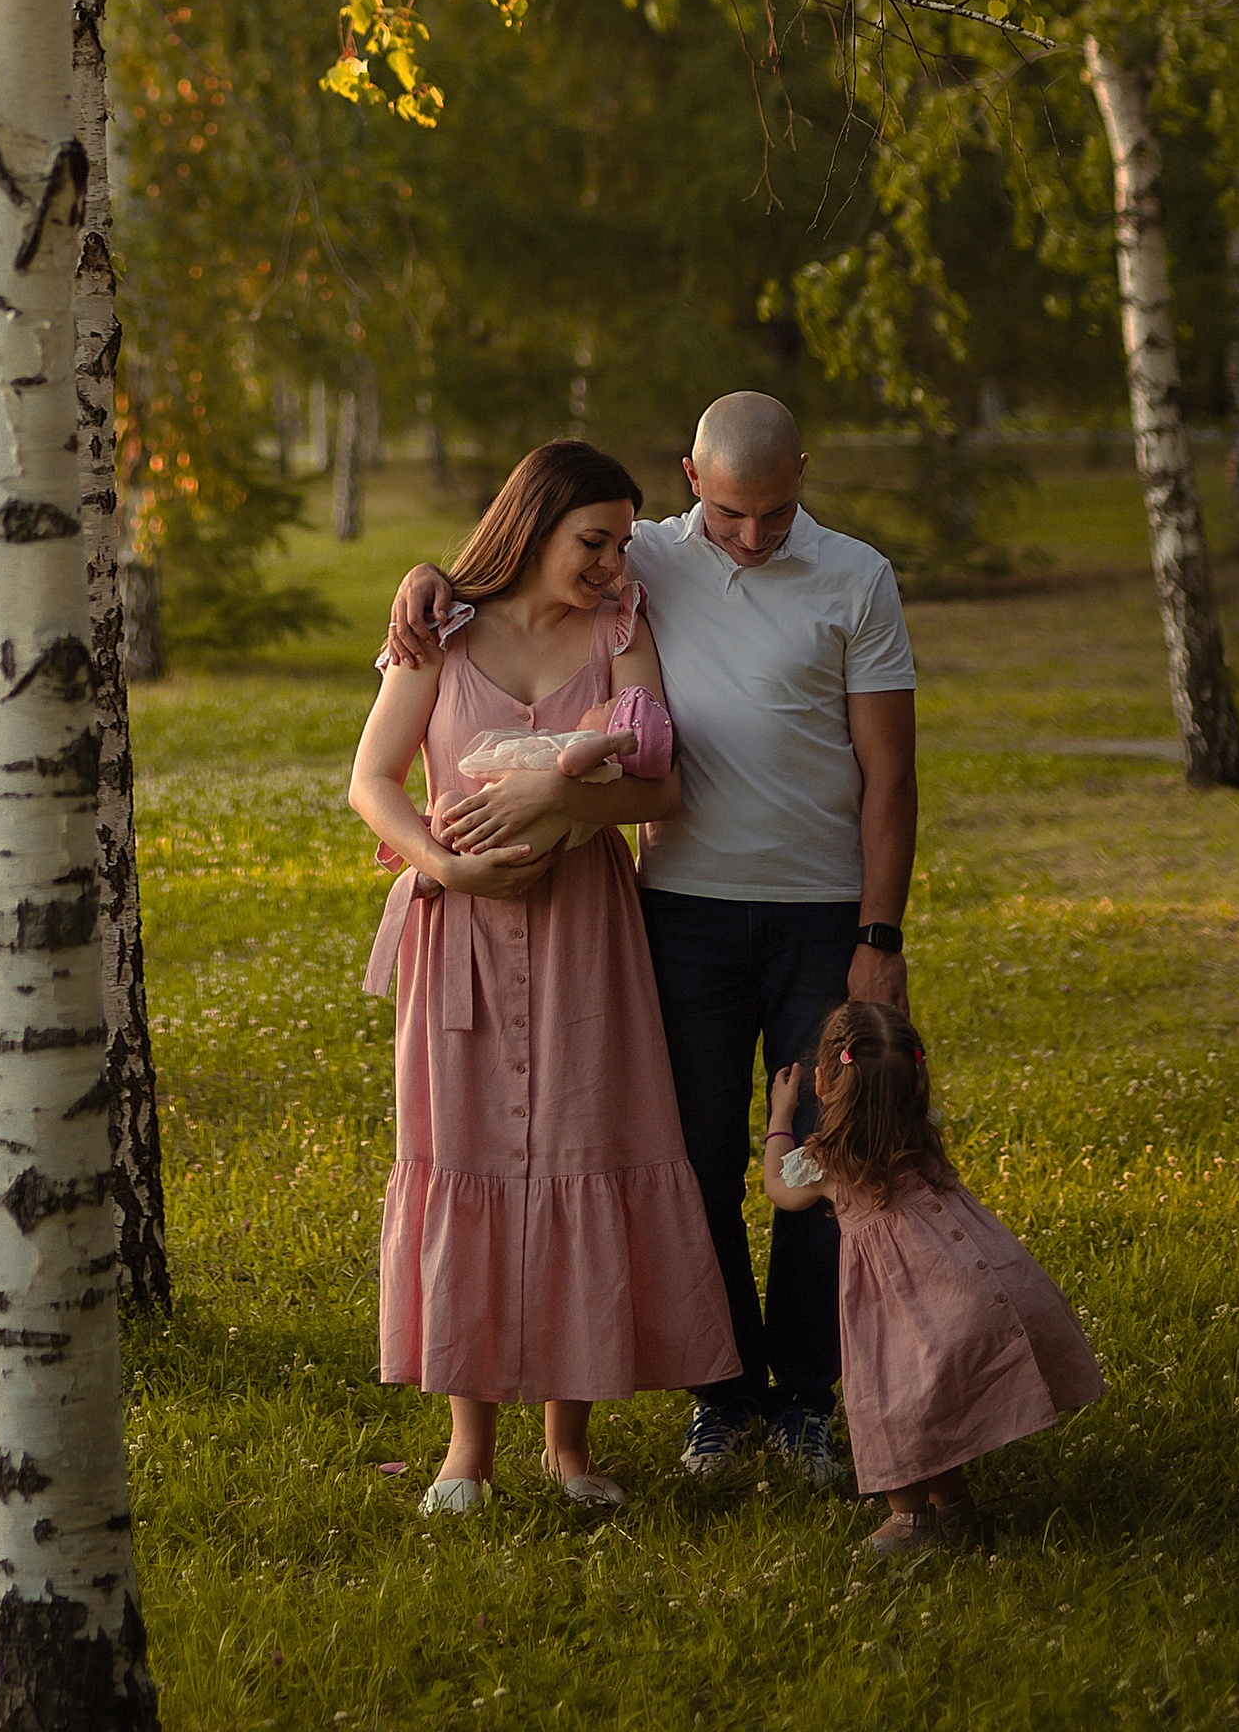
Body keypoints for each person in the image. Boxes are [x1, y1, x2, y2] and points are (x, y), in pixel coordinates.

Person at [387, 390, 917, 1491]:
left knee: (819, 1154)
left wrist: (880, 932)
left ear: (801, 479)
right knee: (693, 1158)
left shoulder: (851, 577)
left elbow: (886, 776)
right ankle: (722, 1400)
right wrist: (424, 580)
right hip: (679, 911)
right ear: (691, 478)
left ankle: (804, 1401)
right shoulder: (645, 567)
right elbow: (507, 574)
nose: (750, 537)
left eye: (773, 515)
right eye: (728, 513)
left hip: (816, 909)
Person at [349, 440, 738, 1515]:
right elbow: (372, 780)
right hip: (457, 934)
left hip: (584, 933)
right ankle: (464, 1451)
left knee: (588, 1145)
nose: (614, 564)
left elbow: (659, 789)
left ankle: (570, 1446)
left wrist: (559, 814)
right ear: (532, 526)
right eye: (593, 541)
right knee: (460, 1148)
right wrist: (443, 861)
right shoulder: (438, 632)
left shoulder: (619, 630)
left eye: (621, 543)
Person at [764, 997, 1103, 1557]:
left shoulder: (827, 1160)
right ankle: (955, 1511)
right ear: (913, 1081)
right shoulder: (920, 1133)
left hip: (898, 1303)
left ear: (824, 1081)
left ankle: (910, 1520)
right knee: (936, 1398)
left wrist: (781, 1114)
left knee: (891, 1400)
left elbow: (779, 1188)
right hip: (962, 1284)